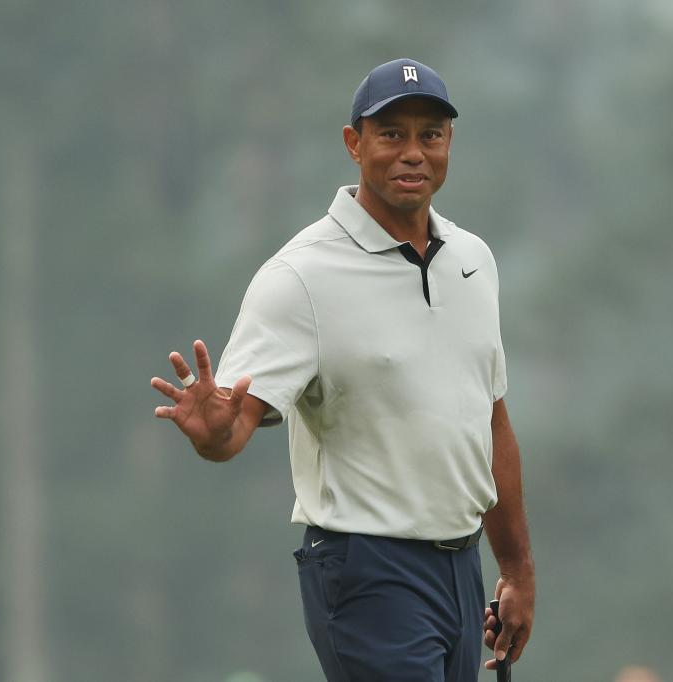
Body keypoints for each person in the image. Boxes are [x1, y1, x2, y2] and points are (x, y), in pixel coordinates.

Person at [150, 58, 535, 681]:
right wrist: (215, 431)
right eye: (392, 135)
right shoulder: (300, 277)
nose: (413, 152)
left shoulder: (473, 260)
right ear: (354, 144)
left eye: (429, 135)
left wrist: (515, 570)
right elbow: (237, 425)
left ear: (449, 145)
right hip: (367, 569)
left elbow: (489, 419)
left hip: (461, 569)